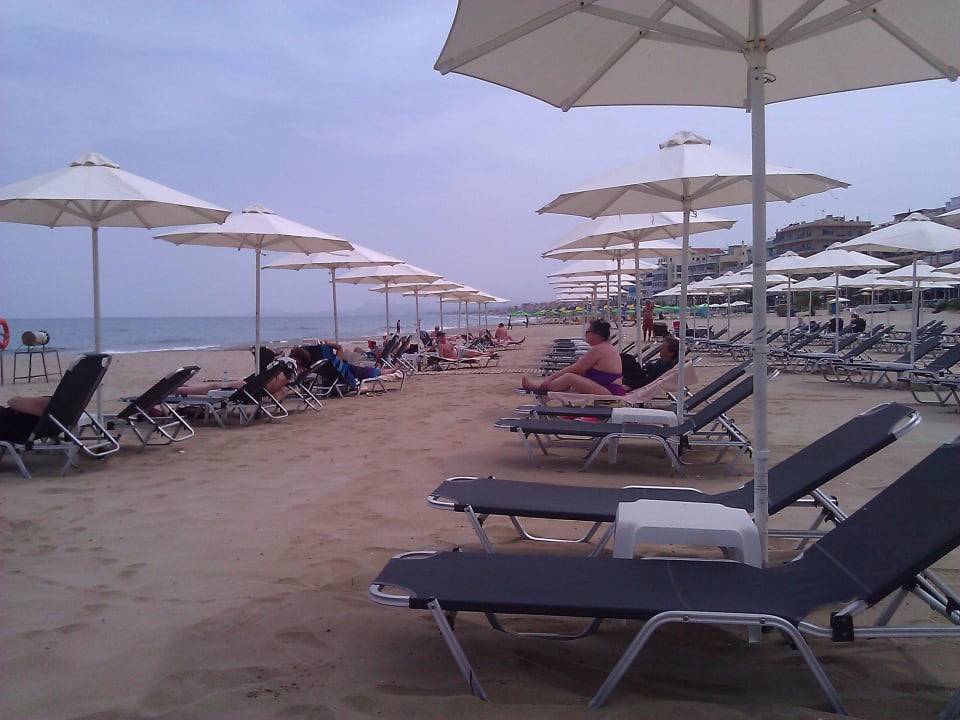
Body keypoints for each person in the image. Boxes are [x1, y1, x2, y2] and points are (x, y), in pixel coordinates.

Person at [520, 319, 625, 396]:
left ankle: (540, 388)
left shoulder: (599, 349)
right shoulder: (606, 347)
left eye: (587, 332)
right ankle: (546, 387)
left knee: (569, 377)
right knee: (571, 377)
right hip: (609, 389)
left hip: (608, 391)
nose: (585, 334)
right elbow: (578, 369)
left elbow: (575, 368)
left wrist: (550, 378)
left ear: (596, 334)